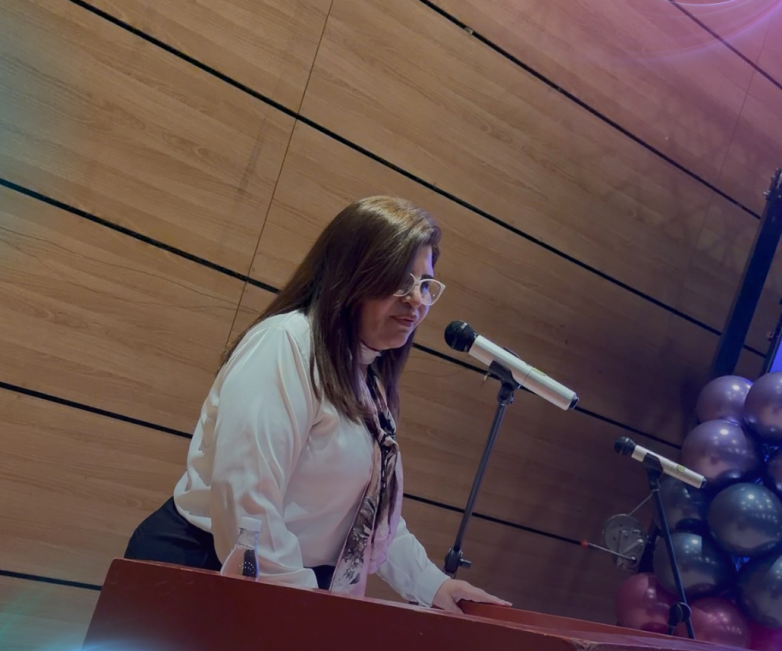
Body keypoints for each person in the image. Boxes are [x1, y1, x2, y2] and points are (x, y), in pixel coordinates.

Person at [125, 195, 509, 614]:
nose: (416, 300)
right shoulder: (286, 343)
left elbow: (366, 516)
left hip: (277, 584)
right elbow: (248, 504)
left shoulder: (367, 378)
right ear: (352, 275)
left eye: (424, 284)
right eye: (401, 280)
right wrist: (310, 609)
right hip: (199, 574)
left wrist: (433, 585)